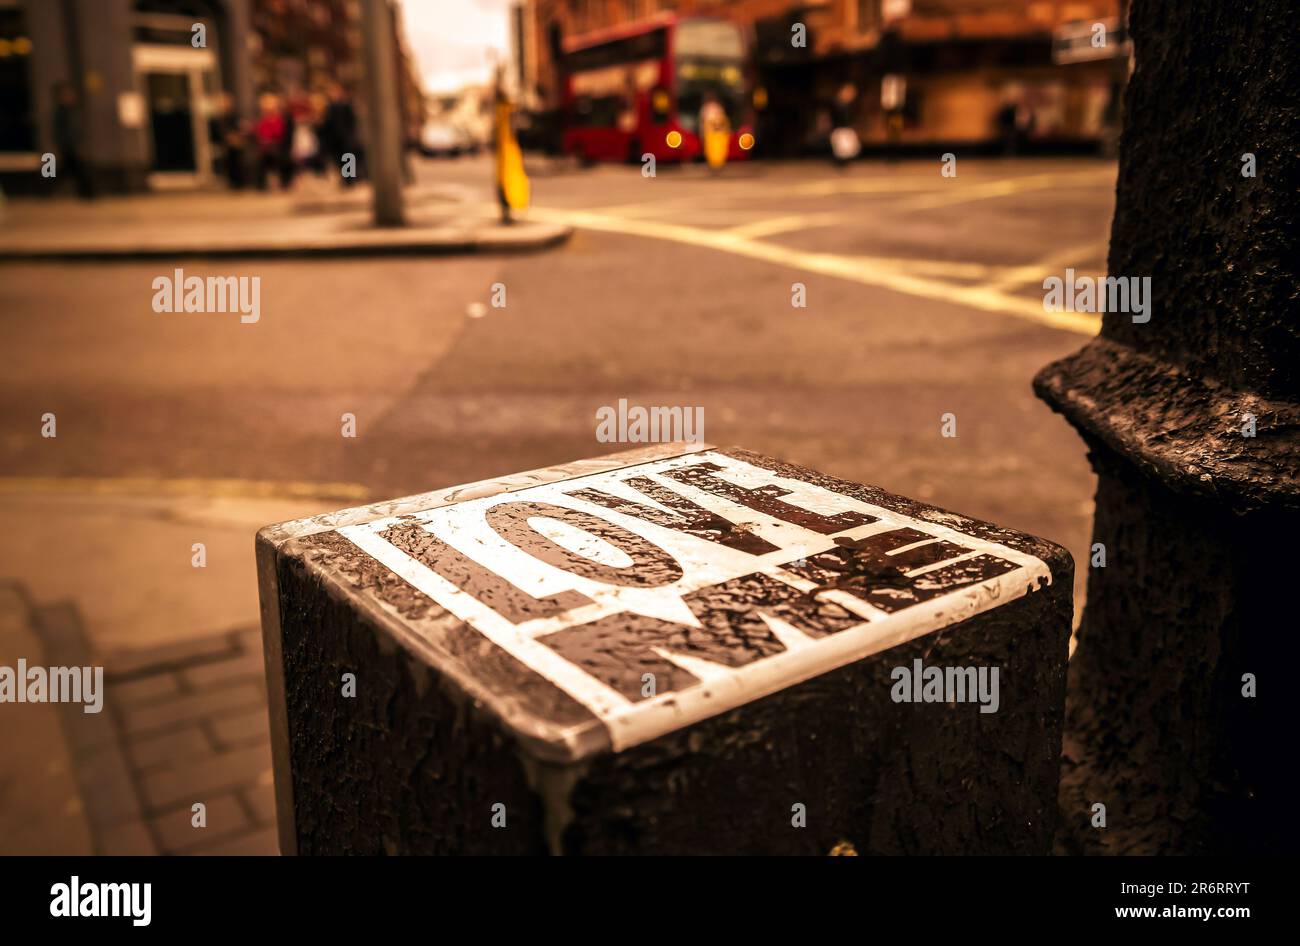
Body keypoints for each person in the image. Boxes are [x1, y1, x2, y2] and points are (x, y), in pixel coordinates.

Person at [51, 81, 93, 199]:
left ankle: (86, 193)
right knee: (76, 170)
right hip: (68, 147)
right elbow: (60, 131)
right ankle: (87, 193)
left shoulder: (70, 110)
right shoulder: (60, 111)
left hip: (71, 146)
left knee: (68, 170)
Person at [319, 82, 361, 186]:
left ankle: (349, 179)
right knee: (339, 159)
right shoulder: (330, 107)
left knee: (348, 157)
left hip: (345, 137)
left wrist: (351, 133)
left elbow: (352, 121)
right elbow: (327, 123)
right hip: (334, 138)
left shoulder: (346, 105)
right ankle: (344, 178)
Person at [208, 91, 248, 189]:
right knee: (229, 163)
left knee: (237, 162)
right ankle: (232, 182)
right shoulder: (219, 117)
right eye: (220, 103)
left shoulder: (234, 115)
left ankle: (239, 183)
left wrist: (236, 136)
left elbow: (242, 127)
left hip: (236, 143)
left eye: (224, 102)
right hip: (226, 143)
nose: (222, 105)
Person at [254, 91, 287, 190]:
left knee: (275, 164)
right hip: (265, 148)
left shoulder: (277, 119)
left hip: (274, 146)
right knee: (264, 164)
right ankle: (265, 183)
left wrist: (271, 140)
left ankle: (277, 182)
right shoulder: (263, 119)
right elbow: (259, 131)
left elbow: (279, 132)